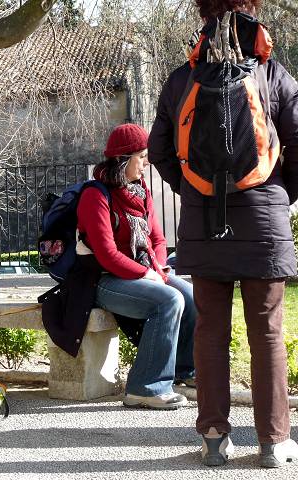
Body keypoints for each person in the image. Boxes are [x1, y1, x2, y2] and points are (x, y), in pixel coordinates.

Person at [148, 0, 298, 468]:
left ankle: (214, 437)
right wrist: (279, 194)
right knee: (267, 331)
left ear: (203, 14)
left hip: (203, 222)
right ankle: (273, 441)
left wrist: (196, 192)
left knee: (210, 331)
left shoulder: (182, 80)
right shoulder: (273, 75)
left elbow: (158, 150)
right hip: (264, 222)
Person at [77, 123, 196, 410]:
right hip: (103, 280)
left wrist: (159, 268)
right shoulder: (95, 195)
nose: (146, 163)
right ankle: (145, 388)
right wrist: (146, 273)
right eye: (141, 157)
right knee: (169, 300)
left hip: (143, 271)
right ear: (123, 159)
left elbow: (157, 238)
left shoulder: (140, 191)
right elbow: (106, 255)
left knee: (191, 296)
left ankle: (184, 371)